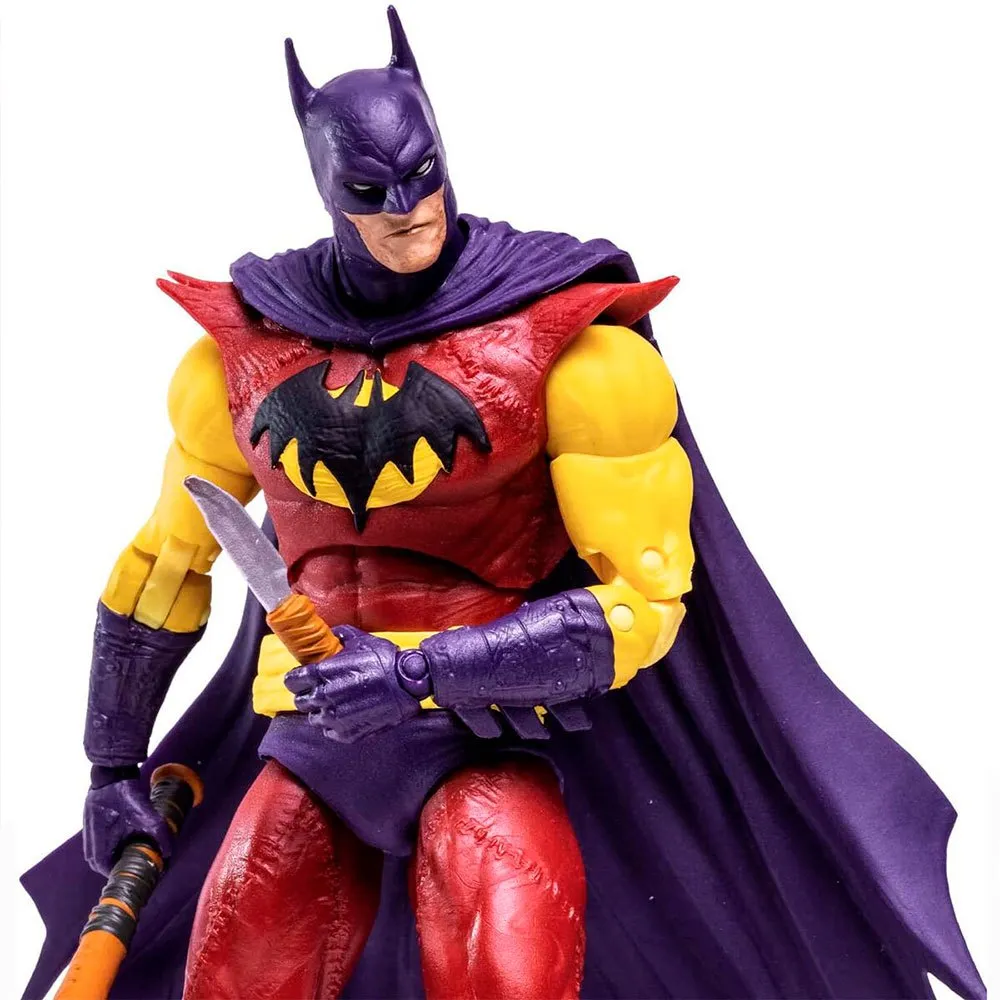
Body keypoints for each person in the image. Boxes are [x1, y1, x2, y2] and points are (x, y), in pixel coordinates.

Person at [22, 8, 984, 1000]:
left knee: (507, 978)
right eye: (371, 192)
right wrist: (110, 764)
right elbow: (165, 564)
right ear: (325, 186)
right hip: (311, 738)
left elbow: (642, 605)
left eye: (422, 175)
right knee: (233, 976)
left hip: (480, 730)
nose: (409, 210)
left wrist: (417, 673)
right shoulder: (241, 357)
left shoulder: (573, 352)